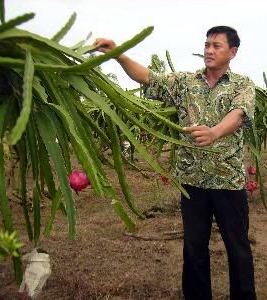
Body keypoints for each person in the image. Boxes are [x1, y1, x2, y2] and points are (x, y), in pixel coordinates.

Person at [94, 25, 257, 300]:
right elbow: (148, 78)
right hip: (192, 181)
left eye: (216, 46)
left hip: (228, 180)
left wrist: (215, 131)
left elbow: (240, 114)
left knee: (237, 247)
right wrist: (118, 54)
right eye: (206, 44)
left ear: (233, 52)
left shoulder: (243, 84)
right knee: (193, 248)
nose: (208, 50)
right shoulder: (184, 82)